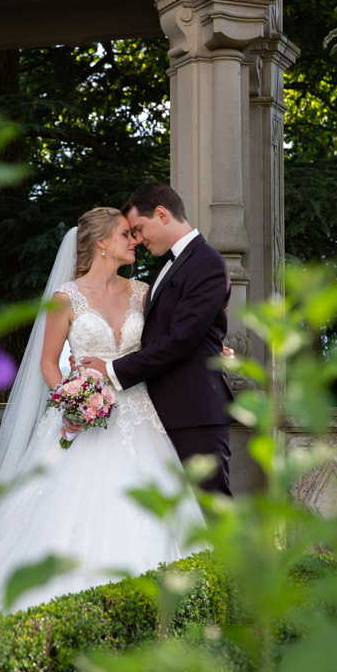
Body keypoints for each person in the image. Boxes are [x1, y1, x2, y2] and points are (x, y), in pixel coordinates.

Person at [0, 207, 205, 646]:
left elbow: (169, 342)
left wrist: (212, 346)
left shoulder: (144, 292)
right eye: (126, 234)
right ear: (102, 243)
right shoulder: (65, 298)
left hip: (138, 417)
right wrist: (73, 398)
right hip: (80, 417)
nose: (135, 240)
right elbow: (49, 363)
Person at [79, 183, 233, 496]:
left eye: (138, 228)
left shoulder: (207, 262)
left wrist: (110, 369)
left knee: (211, 509)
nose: (137, 239)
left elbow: (179, 339)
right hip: (158, 413)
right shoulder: (168, 265)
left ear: (161, 215)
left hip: (195, 411)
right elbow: (164, 332)